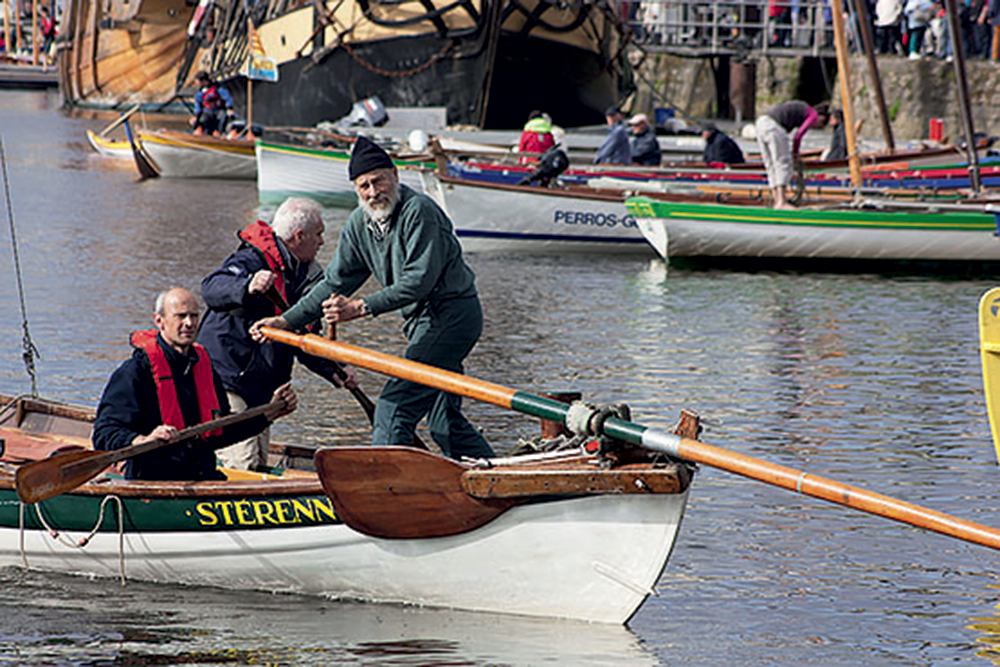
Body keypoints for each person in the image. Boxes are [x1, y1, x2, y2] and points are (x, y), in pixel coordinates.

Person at [250, 136, 495, 461]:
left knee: (392, 409)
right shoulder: (359, 224)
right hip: (420, 325)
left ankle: (387, 490)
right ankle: (497, 475)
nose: (372, 192)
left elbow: (418, 282)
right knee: (443, 422)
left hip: (451, 319)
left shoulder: (419, 211)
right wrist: (285, 320)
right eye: (363, 186)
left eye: (378, 181)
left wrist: (362, 307)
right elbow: (333, 283)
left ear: (394, 175)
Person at [199, 197, 359, 471]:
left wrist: (333, 369)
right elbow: (212, 289)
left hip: (263, 386)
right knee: (244, 465)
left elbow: (304, 334)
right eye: (319, 234)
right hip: (227, 379)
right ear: (300, 236)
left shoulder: (306, 277)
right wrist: (247, 285)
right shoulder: (250, 259)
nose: (322, 242)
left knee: (259, 464)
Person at [92, 287, 297, 481]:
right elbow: (104, 433)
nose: (189, 323)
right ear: (159, 321)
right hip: (156, 481)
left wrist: (269, 413)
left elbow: (220, 430)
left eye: (194, 316)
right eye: (180, 316)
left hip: (202, 477)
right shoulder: (135, 372)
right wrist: (142, 440)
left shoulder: (204, 367)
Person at [754, 100, 830, 210]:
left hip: (761, 123)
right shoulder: (813, 115)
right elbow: (798, 136)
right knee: (783, 163)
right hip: (774, 126)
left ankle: (777, 200)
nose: (814, 127)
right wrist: (795, 154)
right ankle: (782, 202)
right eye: (818, 126)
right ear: (822, 119)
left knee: (771, 165)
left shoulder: (804, 108)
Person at [190, 70, 234, 136]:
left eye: (197, 82)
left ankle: (220, 134)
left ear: (204, 81)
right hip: (207, 112)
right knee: (203, 121)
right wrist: (195, 116)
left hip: (219, 111)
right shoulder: (200, 93)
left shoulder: (217, 88)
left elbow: (227, 97)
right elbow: (197, 105)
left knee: (222, 119)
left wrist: (229, 108)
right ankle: (205, 134)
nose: (196, 84)